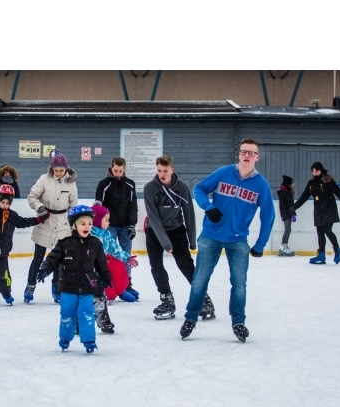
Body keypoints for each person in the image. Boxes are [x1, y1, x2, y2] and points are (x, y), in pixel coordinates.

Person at [179, 138, 275, 343]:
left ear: (257, 157)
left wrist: (260, 244)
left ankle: (238, 322)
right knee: (200, 280)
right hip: (210, 236)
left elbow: (268, 214)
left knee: (239, 283)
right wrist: (208, 207)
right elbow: (199, 189)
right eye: (243, 152)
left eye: (251, 153)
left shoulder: (261, 185)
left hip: (238, 240)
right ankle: (190, 318)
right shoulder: (224, 173)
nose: (247, 155)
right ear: (238, 154)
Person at [143, 155, 214, 321]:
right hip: (154, 231)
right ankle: (166, 299)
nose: (162, 174)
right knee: (156, 265)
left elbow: (189, 214)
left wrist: (191, 238)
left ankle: (204, 299)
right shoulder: (150, 189)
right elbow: (153, 218)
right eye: (159, 170)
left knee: (186, 265)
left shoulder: (182, 188)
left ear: (172, 170)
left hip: (176, 230)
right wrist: (165, 242)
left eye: (165, 171)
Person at [36, 205, 113, 354]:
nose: (87, 227)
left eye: (89, 224)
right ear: (74, 225)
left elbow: (102, 264)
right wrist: (45, 269)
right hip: (68, 287)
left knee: (87, 314)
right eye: (82, 223)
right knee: (67, 313)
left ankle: (89, 340)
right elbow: (53, 258)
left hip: (87, 287)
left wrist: (106, 278)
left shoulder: (96, 244)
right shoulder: (65, 243)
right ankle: (65, 338)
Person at [0, 184, 49, 305]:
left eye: (8, 203)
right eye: (3, 202)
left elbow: (24, 222)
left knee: (4, 277)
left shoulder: (12, 216)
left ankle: (6, 293)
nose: (5, 205)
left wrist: (39, 219)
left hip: (3, 253)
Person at [24, 149, 78, 304]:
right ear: (52, 169)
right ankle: (31, 285)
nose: (59, 173)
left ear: (66, 169)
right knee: (38, 258)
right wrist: (40, 208)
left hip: (62, 224)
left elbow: (73, 205)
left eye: (62, 170)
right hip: (45, 221)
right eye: (56, 170)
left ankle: (57, 288)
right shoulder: (44, 180)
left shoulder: (71, 183)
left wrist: (73, 224)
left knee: (59, 260)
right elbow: (32, 196)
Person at [89, 203, 139, 334]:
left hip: (100, 271)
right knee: (85, 299)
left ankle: (103, 320)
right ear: (97, 220)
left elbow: (115, 249)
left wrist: (127, 257)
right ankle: (79, 322)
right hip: (86, 272)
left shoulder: (106, 234)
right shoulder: (87, 233)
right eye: (106, 220)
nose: (108, 222)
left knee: (100, 297)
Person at [94, 157, 140, 298]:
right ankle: (109, 282)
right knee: (111, 254)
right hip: (110, 225)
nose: (118, 173)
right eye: (115, 171)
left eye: (121, 171)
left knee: (126, 254)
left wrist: (132, 224)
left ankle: (126, 284)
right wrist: (99, 224)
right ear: (111, 168)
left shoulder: (130, 184)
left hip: (126, 225)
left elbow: (133, 205)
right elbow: (98, 205)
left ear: (124, 169)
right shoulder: (104, 184)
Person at [292, 161, 340, 265]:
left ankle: (338, 251)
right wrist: (294, 207)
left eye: (316, 171)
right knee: (320, 231)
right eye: (313, 171)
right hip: (318, 209)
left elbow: (338, 191)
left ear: (321, 170)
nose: (314, 173)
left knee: (327, 230)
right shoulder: (311, 183)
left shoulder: (327, 180)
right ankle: (321, 254)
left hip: (329, 208)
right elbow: (304, 196)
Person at [277, 175, 297, 257]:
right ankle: (283, 246)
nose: (293, 185)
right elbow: (289, 204)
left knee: (288, 229)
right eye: (292, 183)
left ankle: (284, 245)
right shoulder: (286, 193)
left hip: (286, 213)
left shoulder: (286, 192)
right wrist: (293, 213)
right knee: (287, 229)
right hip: (286, 213)